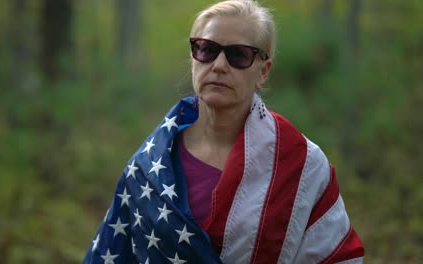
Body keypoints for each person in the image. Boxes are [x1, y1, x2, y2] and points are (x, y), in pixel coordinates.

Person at [84, 0, 365, 263]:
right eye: (206, 49)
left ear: (263, 71)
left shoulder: (302, 165)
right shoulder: (148, 165)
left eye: (238, 55)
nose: (218, 66)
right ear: (193, 57)